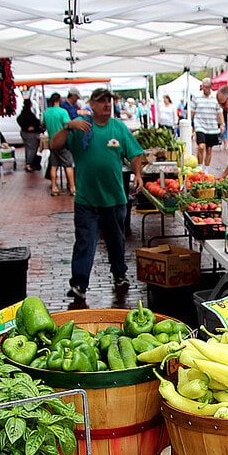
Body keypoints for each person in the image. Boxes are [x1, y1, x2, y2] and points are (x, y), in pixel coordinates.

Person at [51, 88, 145, 302]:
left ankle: (119, 274)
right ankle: (79, 284)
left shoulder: (118, 128)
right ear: (91, 104)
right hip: (86, 200)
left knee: (116, 242)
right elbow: (55, 145)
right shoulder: (81, 128)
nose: (106, 105)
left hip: (114, 199)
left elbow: (136, 153)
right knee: (85, 242)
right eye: (101, 101)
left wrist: (137, 174)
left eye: (108, 101)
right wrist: (68, 126)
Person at [42, 93, 76, 196]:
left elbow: (43, 125)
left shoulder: (46, 112)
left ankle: (54, 187)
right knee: (68, 165)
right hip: (63, 142)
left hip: (52, 142)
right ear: (59, 100)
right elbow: (68, 125)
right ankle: (73, 188)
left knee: (54, 165)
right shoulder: (63, 112)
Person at [190, 77, 225, 167]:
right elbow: (192, 111)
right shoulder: (196, 96)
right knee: (201, 146)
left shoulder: (215, 97)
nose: (204, 89)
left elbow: (219, 112)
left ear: (210, 87)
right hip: (200, 125)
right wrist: (190, 124)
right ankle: (200, 166)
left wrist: (222, 124)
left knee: (209, 149)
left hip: (212, 126)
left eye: (206, 87)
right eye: (203, 87)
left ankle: (206, 169)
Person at [16, 99, 43, 172]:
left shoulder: (23, 112)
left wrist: (24, 127)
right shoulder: (29, 113)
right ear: (30, 104)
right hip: (31, 134)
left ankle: (28, 163)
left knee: (28, 148)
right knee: (32, 149)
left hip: (24, 133)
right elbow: (35, 122)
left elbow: (18, 119)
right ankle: (29, 164)